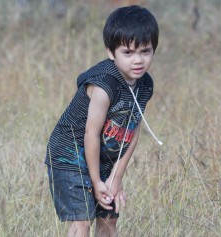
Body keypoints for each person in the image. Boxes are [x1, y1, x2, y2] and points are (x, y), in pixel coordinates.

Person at [45, 5, 159, 237]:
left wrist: (116, 178)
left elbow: (133, 130)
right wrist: (96, 181)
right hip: (71, 153)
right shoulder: (104, 85)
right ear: (111, 52)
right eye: (128, 52)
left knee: (108, 221)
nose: (138, 60)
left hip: (105, 156)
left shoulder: (145, 85)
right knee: (82, 222)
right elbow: (91, 134)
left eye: (145, 51)